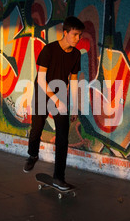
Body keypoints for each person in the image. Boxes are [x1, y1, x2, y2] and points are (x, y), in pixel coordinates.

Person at [23, 16, 85, 191]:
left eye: (80, 35)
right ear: (65, 33)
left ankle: (59, 177)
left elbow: (73, 81)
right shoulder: (49, 50)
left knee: (63, 136)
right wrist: (56, 100)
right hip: (42, 93)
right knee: (37, 128)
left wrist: (73, 106)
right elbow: (41, 80)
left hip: (60, 95)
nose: (78, 39)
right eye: (75, 34)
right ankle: (33, 155)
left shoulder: (75, 54)